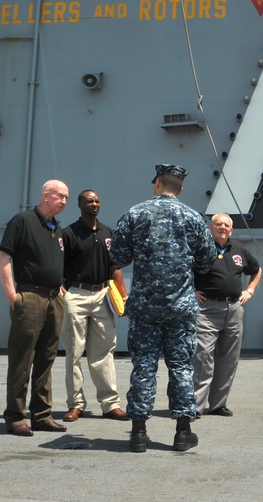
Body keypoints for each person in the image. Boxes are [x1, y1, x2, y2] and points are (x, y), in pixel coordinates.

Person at [109, 164, 217, 453]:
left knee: (143, 365)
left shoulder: (135, 213)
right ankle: (183, 432)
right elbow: (208, 260)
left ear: (156, 183)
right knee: (181, 366)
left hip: (144, 306)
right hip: (180, 307)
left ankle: (138, 434)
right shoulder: (194, 217)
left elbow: (117, 255)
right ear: (180, 189)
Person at [0, 179, 70, 436]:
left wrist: (60, 287)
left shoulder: (56, 229)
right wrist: (12, 295)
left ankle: (41, 415)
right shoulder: (22, 221)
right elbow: (4, 257)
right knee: (22, 359)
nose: (63, 201)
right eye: (59, 195)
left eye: (66, 197)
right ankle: (16, 418)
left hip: (53, 299)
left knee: (46, 359)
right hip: (29, 297)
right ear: (45, 195)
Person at [60, 190, 128, 423]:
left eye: (97, 200)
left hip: (102, 294)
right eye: (89, 201)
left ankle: (110, 405)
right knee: (74, 352)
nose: (94, 204)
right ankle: (75, 404)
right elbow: (58, 265)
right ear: (80, 205)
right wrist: (62, 289)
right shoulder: (68, 233)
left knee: (104, 352)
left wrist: (123, 296)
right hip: (76, 294)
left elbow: (115, 268)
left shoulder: (109, 233)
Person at [192, 213, 261, 418]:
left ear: (231, 230)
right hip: (206, 310)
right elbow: (182, 270)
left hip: (233, 309)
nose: (222, 227)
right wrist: (191, 290)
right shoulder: (200, 248)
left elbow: (256, 270)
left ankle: (218, 404)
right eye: (218, 224)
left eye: (226, 225)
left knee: (229, 358)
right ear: (210, 228)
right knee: (203, 357)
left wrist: (249, 290)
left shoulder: (239, 250)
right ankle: (195, 405)